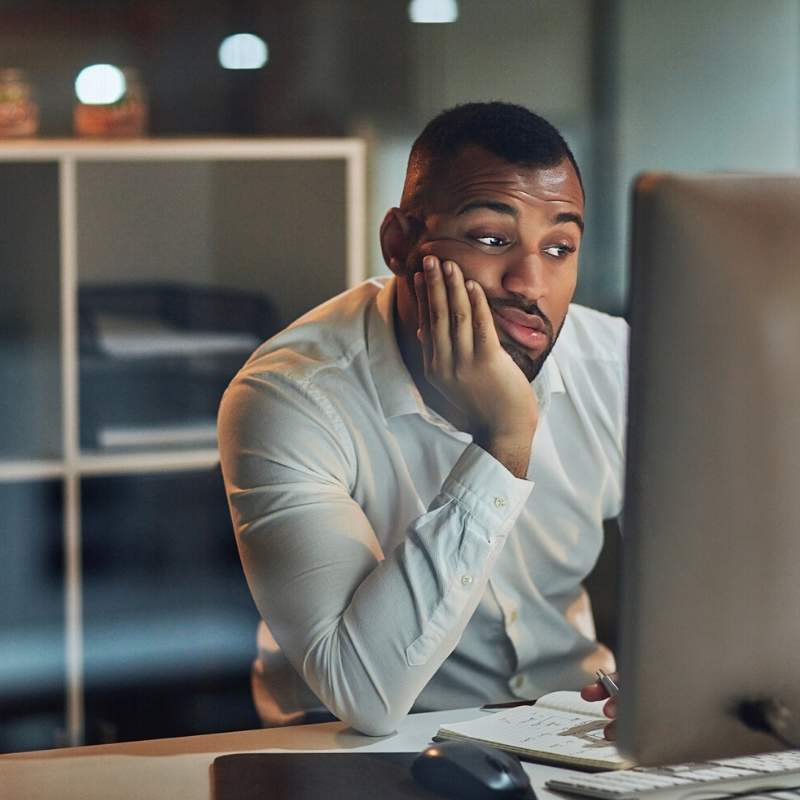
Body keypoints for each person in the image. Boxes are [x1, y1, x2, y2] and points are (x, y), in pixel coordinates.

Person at [218, 101, 627, 737]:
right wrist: (504, 440)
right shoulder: (289, 395)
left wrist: (679, 682)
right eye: (492, 239)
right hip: (350, 750)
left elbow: (721, 566)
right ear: (400, 244)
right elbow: (364, 693)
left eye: (559, 247)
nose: (530, 282)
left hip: (569, 728)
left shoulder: (616, 365)